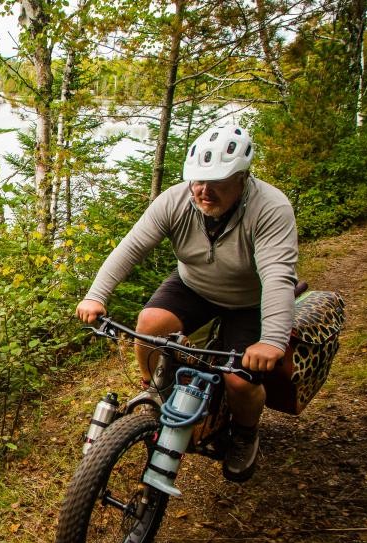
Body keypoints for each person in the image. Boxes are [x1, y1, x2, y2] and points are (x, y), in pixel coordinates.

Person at [75, 124, 298, 482]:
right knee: (150, 324)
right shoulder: (177, 200)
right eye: (197, 180)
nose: (203, 191)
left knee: (239, 381)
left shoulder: (270, 208)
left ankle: (244, 433)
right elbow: (130, 248)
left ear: (242, 178)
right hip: (193, 284)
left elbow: (276, 276)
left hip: (247, 299)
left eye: (217, 182)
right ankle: (157, 393)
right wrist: (96, 295)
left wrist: (271, 339)